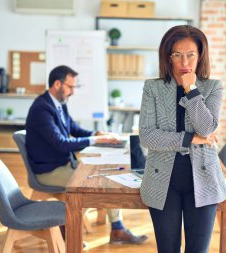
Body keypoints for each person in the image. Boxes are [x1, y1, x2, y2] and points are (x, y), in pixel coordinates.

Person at [25, 65, 148, 245]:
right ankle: (68, 228)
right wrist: (94, 140)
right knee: (94, 185)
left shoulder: (58, 104)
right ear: (57, 84)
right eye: (70, 87)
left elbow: (74, 129)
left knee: (106, 177)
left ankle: (117, 229)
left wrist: (97, 134)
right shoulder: (41, 109)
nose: (72, 92)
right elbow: (60, 144)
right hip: (49, 171)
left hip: (64, 165)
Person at [139, 25, 226, 253]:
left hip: (204, 178)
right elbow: (148, 136)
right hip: (162, 180)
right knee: (167, 249)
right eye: (177, 55)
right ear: (168, 58)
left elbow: (206, 128)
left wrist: (191, 90)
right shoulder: (153, 88)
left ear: (200, 57)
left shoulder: (213, 87)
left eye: (190, 55)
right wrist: (191, 139)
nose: (184, 62)